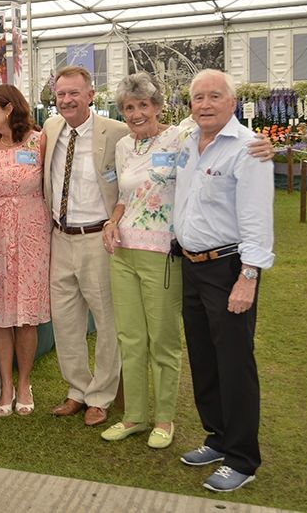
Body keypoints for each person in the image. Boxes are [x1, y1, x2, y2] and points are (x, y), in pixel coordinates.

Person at [174, 70, 274, 493]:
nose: (205, 104)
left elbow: (256, 217)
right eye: (198, 98)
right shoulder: (188, 143)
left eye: (215, 96)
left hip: (229, 268)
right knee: (203, 357)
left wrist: (248, 277)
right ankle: (217, 437)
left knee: (234, 361)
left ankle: (242, 457)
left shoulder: (249, 149)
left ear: (232, 103)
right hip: (192, 267)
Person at [98, 73, 184, 447]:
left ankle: (164, 420)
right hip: (123, 252)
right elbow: (122, 196)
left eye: (142, 106)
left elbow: (220, 131)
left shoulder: (179, 137)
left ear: (158, 107)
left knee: (162, 339)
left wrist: (258, 146)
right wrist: (111, 221)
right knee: (130, 338)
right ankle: (134, 415)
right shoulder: (122, 147)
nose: (135, 114)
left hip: (163, 253)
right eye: (128, 107)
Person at [43, 65, 127, 427]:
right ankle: (77, 389)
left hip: (98, 238)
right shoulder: (49, 128)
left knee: (107, 320)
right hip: (60, 237)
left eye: (74, 93)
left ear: (91, 95)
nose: (67, 100)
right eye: (61, 94)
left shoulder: (116, 132)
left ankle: (102, 396)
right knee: (65, 320)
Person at [0, 84, 50, 417]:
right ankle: (5, 383)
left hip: (32, 233)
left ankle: (25, 382)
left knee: (26, 316)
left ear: (9, 109)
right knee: (1, 317)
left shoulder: (39, 141)